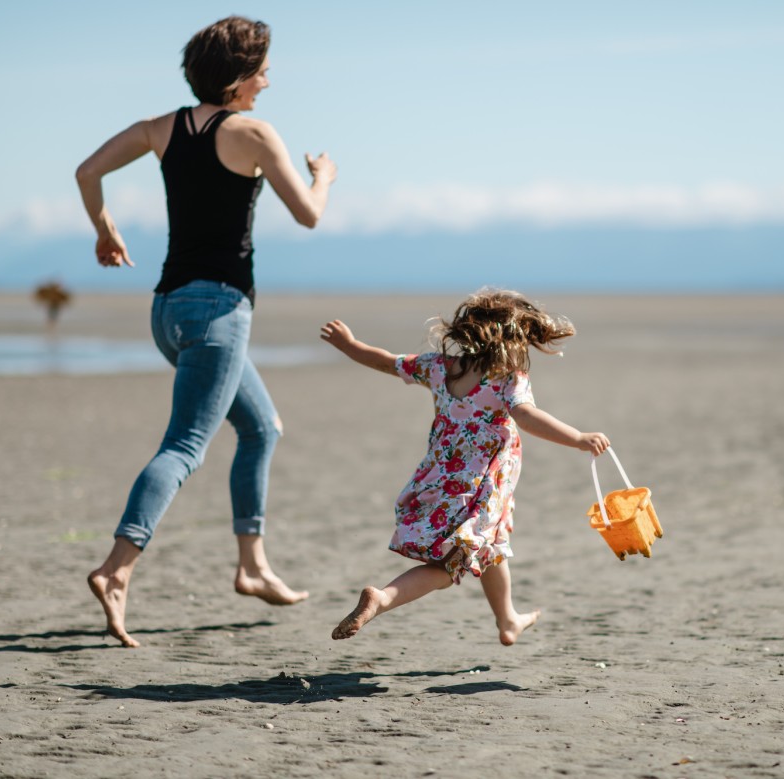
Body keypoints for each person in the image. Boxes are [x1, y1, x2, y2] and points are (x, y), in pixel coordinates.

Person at [75, 16, 337, 648]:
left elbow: (87, 172)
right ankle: (117, 568)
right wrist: (324, 174)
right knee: (185, 446)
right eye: (263, 71)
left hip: (168, 311)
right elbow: (307, 214)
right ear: (241, 77)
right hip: (218, 313)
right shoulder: (252, 132)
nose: (268, 83)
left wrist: (104, 230)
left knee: (261, 426)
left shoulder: (160, 128)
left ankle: (252, 566)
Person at [320, 289, 610, 646]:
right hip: (478, 490)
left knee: (489, 545)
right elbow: (527, 416)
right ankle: (382, 599)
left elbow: (386, 361)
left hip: (438, 482)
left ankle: (508, 620)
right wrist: (578, 437)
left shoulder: (438, 367)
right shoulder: (507, 378)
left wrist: (349, 345)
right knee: (446, 568)